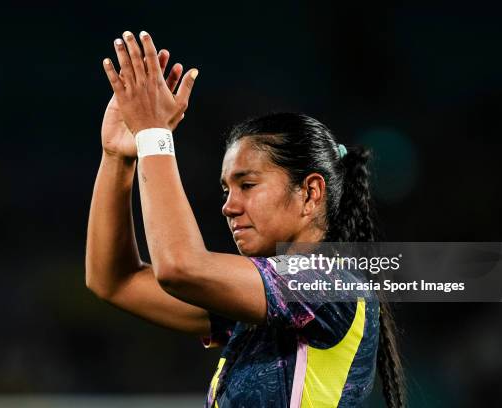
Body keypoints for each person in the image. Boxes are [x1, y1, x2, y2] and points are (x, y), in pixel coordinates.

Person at [85, 30, 405, 408]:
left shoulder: (329, 287)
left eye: (247, 184)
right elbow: (114, 281)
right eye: (225, 190)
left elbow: (179, 267)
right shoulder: (261, 310)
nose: (228, 206)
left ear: (310, 193)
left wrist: (154, 136)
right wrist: (118, 157)